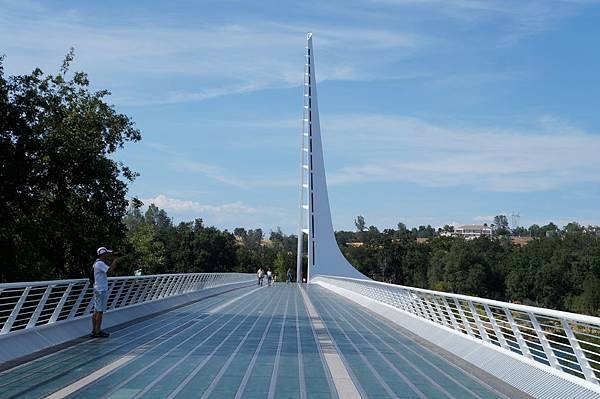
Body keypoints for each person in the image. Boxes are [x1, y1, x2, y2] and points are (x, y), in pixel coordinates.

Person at [91, 246, 118, 338]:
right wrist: (115, 261)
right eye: (106, 253)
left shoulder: (97, 263)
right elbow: (110, 271)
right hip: (101, 290)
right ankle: (97, 331)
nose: (107, 255)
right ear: (103, 254)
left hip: (97, 289)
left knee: (96, 310)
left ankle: (94, 330)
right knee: (100, 311)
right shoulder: (100, 264)